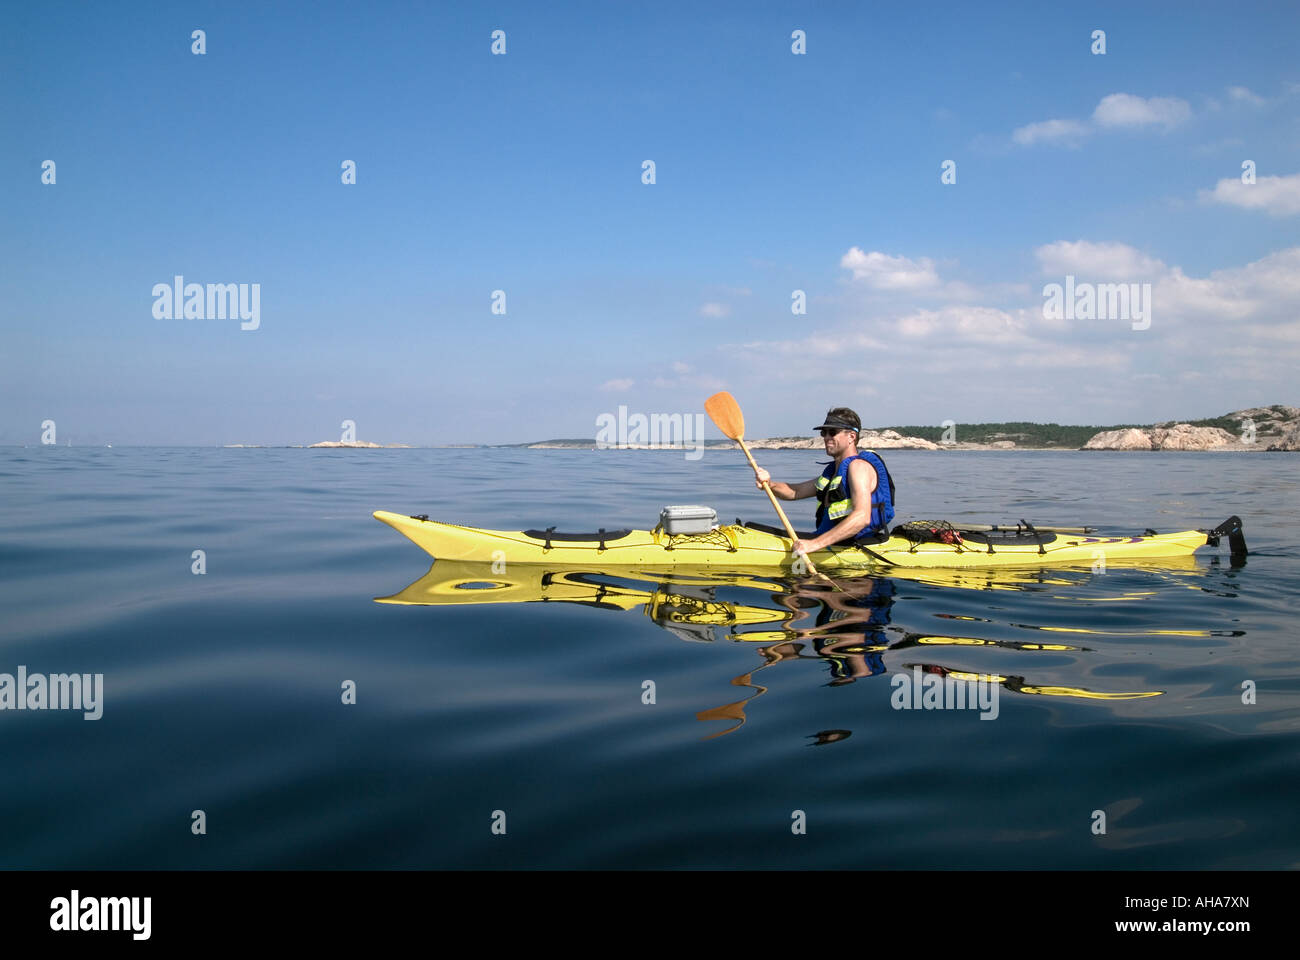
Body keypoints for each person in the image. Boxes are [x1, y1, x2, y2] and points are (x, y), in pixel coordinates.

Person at [753, 407, 895, 557]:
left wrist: (814, 545)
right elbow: (795, 492)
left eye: (832, 432)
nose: (826, 437)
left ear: (852, 436)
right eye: (823, 433)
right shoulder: (833, 472)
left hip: (853, 546)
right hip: (829, 541)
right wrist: (769, 484)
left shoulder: (858, 467)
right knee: (754, 527)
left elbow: (862, 517)